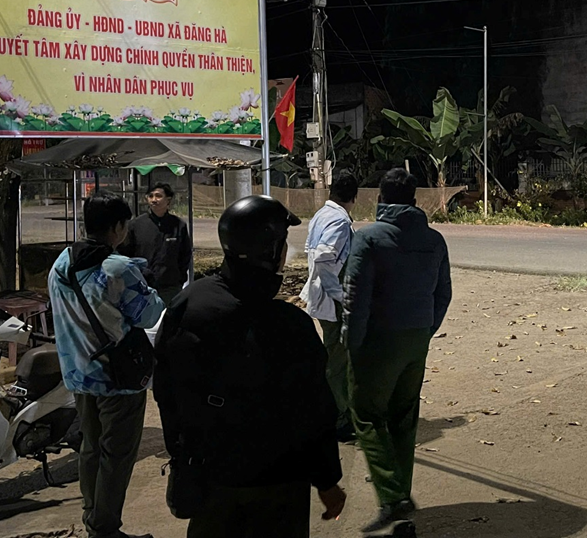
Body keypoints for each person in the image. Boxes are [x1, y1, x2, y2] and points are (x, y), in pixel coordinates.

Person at [153, 195, 346, 538]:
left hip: (209, 477)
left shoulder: (189, 303)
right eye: (283, 244)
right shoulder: (290, 326)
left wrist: (183, 453)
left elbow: (166, 389)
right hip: (278, 484)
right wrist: (327, 481)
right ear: (270, 251)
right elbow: (314, 412)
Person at [48, 192, 165, 538]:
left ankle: (93, 517)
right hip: (117, 378)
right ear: (117, 227)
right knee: (117, 456)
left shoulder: (62, 263)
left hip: (78, 374)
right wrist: (147, 286)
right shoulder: (118, 269)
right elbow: (149, 314)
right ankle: (104, 528)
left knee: (91, 448)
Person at [343, 168, 453, 533]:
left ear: (379, 199)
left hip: (378, 339)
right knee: (404, 416)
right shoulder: (435, 240)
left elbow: (355, 298)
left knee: (366, 414)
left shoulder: (369, 238)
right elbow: (443, 293)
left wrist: (351, 342)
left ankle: (392, 496)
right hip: (416, 337)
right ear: (415, 201)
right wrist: (426, 330)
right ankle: (401, 491)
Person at [299, 171, 359, 442]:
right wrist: (340, 295)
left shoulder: (321, 215)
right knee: (338, 360)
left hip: (321, 296)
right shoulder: (340, 221)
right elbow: (325, 257)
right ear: (354, 197)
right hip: (332, 301)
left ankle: (337, 412)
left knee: (334, 356)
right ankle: (339, 419)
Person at [118, 182, 192, 306]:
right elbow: (126, 254)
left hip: (170, 288)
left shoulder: (179, 225)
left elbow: (185, 255)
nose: (154, 200)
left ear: (168, 200)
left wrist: (180, 280)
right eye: (150, 196)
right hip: (142, 287)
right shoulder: (136, 225)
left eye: (158, 196)